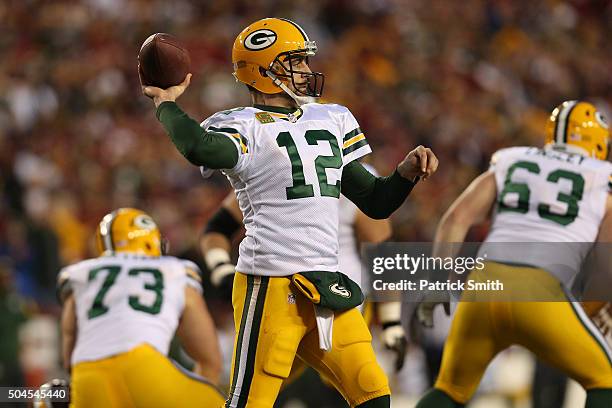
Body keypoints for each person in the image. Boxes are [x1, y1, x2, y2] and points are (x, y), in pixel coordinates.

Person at [142, 17, 438, 408]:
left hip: (326, 285)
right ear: (264, 71)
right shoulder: (244, 125)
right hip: (271, 286)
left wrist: (404, 174)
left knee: (373, 392)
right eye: (295, 62)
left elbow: (376, 202)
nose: (306, 71)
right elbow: (203, 148)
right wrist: (166, 104)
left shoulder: (330, 119)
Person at [415, 100, 612, 408]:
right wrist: (586, 313)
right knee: (605, 381)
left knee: (449, 391)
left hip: (483, 286)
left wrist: (438, 282)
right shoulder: (602, 176)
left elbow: (457, 218)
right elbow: (605, 267)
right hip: (542, 290)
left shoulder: (512, 159)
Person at [58, 208, 224, 407]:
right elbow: (210, 359)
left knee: (51, 396)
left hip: (87, 375)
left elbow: (69, 345)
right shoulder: (174, 270)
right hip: (144, 368)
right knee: (213, 401)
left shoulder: (81, 273)